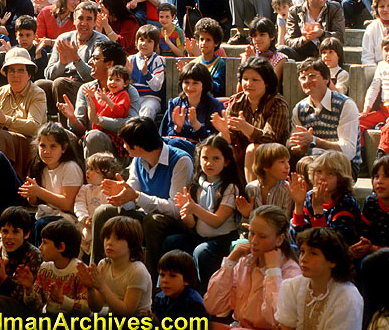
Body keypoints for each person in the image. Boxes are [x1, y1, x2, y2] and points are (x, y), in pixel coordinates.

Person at [178, 205, 301, 330]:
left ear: (279, 239)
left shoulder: (290, 271)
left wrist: (273, 271)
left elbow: (275, 320)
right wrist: (230, 261)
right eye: (252, 233)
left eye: (262, 236)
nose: (254, 241)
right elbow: (212, 306)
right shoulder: (245, 262)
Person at [91, 117, 193, 278]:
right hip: (145, 214)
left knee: (153, 221)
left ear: (137, 146)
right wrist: (122, 197)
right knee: (104, 212)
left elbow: (176, 208)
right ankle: (96, 276)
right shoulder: (137, 160)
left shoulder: (180, 161)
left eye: (125, 143)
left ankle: (150, 284)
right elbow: (132, 194)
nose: (124, 147)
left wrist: (137, 197)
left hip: (172, 221)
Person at [244, 227, 363, 330]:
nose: (304, 259)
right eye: (302, 252)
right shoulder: (293, 286)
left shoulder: (346, 295)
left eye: (313, 253)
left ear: (332, 261)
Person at [165, 135, 245, 291]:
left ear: (226, 161)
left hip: (222, 239)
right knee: (172, 242)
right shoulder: (196, 185)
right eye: (205, 158)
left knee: (202, 252)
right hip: (201, 235)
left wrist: (194, 207)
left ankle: (204, 294)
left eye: (216, 159)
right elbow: (192, 224)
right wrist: (187, 212)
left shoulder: (230, 187)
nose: (209, 163)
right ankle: (170, 289)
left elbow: (217, 221)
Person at [212, 56, 290, 184]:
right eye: (245, 79)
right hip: (240, 151)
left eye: (255, 80)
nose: (249, 84)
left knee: (253, 149)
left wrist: (246, 128)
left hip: (273, 154)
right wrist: (224, 131)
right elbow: (231, 137)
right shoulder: (236, 102)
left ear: (266, 82)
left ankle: (252, 194)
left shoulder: (277, 104)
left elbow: (271, 138)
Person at [0, 48, 47, 180]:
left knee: (0, 136)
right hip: (1, 141)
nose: (15, 75)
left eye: (21, 70)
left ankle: (3, 183)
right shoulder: (1, 92)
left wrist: (4, 119)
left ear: (29, 74)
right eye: (11, 70)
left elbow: (34, 127)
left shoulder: (37, 93)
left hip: (27, 145)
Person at [288, 58, 361, 180]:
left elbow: (348, 152)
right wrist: (300, 147)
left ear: (326, 79)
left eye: (312, 76)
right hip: (312, 163)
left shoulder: (345, 104)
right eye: (303, 77)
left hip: (343, 166)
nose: (307, 81)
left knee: (314, 169)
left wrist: (315, 141)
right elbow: (294, 144)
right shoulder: (299, 108)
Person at [38, 0, 106, 120]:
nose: (84, 23)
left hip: (86, 89)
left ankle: (68, 131)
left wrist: (76, 60)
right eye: (80, 18)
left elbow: (97, 77)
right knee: (40, 85)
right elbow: (48, 75)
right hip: (60, 85)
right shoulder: (64, 39)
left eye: (89, 19)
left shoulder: (101, 42)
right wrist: (62, 63)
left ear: (95, 22)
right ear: (74, 20)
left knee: (60, 83)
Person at [18, 123, 82, 245]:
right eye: (42, 146)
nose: (47, 151)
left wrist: (39, 192)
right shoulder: (40, 167)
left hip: (68, 218)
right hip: (48, 212)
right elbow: (37, 202)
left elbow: (68, 204)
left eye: (53, 146)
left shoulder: (70, 167)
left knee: (42, 225)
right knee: (17, 219)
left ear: (63, 148)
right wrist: (31, 194)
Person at [18, 219, 89, 316]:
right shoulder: (45, 268)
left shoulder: (79, 271)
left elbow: (86, 310)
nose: (40, 247)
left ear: (61, 247)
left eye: (45, 242)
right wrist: (29, 289)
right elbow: (35, 306)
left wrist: (62, 300)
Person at [160, 62, 225, 157]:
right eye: (186, 82)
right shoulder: (175, 103)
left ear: (204, 85)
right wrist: (178, 127)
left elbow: (216, 140)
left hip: (202, 151)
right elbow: (168, 134)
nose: (190, 87)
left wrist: (197, 126)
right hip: (175, 148)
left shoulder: (215, 105)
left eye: (195, 83)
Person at [281, 0, 345, 61]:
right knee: (281, 50)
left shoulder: (334, 8)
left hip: (327, 52)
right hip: (303, 52)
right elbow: (289, 41)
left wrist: (321, 34)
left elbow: (340, 37)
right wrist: (305, 39)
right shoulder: (295, 12)